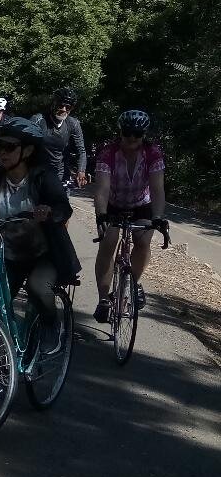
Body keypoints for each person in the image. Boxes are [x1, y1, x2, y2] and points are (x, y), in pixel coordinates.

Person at [0, 115, 80, 354]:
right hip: (7, 255)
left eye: (9, 147)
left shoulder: (43, 178)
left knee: (37, 288)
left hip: (43, 254)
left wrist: (50, 212)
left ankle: (50, 326)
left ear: (27, 151)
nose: (1, 152)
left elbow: (63, 208)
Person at [92, 108, 168, 321]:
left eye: (137, 134)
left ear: (144, 135)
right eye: (127, 133)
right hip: (114, 205)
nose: (132, 138)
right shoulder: (108, 153)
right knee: (109, 241)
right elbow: (101, 190)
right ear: (121, 132)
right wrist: (101, 215)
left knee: (143, 241)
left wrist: (158, 217)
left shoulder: (153, 153)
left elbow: (157, 189)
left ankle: (130, 283)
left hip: (141, 205)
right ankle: (103, 299)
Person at [30, 86, 87, 188]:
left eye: (68, 107)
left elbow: (81, 151)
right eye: (60, 105)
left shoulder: (73, 124)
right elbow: (25, 144)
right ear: (54, 103)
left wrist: (81, 171)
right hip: (38, 171)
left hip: (60, 173)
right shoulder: (38, 120)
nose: (63, 110)